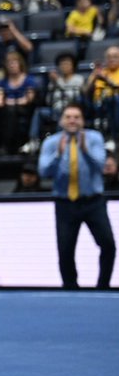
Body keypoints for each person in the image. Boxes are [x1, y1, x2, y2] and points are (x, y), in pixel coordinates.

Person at [38, 104, 114, 289]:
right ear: (61, 121)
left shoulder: (94, 138)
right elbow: (43, 171)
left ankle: (102, 287)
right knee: (65, 250)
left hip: (93, 202)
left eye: (76, 117)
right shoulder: (51, 143)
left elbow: (101, 166)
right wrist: (59, 154)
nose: (72, 120)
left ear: (82, 120)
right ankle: (71, 288)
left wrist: (86, 151)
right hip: (65, 203)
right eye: (68, 117)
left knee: (108, 245)